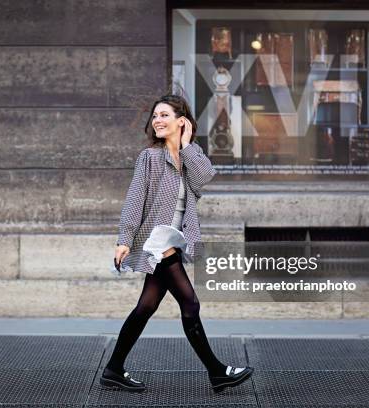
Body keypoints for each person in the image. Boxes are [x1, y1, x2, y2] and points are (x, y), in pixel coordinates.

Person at [100, 94, 254, 393]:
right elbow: (135, 199)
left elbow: (205, 177)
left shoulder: (189, 158)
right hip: (157, 242)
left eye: (165, 115)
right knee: (190, 303)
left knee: (146, 306)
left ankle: (113, 369)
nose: (157, 120)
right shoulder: (150, 158)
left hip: (173, 240)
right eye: (155, 116)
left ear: (181, 121)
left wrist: (186, 143)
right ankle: (217, 371)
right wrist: (124, 240)